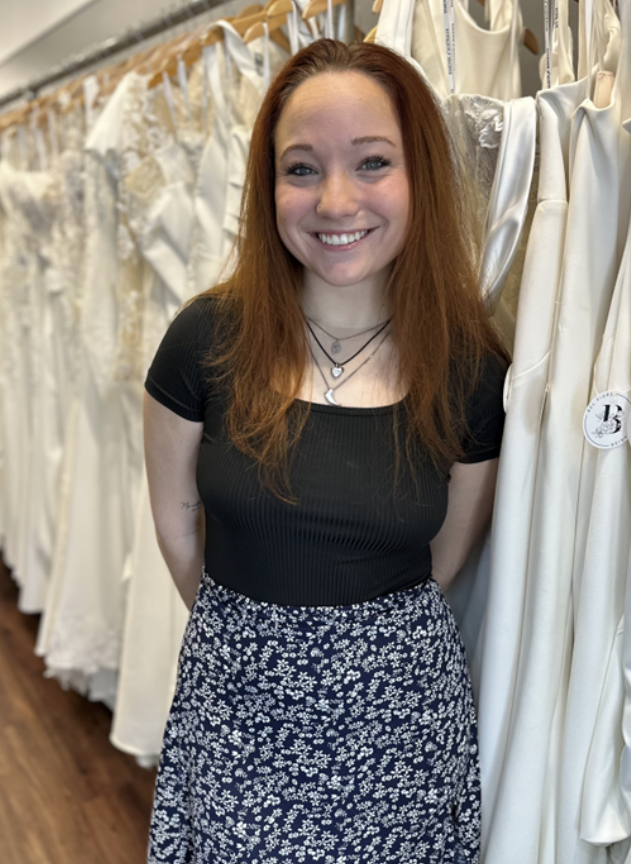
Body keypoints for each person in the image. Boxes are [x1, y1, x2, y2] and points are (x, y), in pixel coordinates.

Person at [144, 38, 507, 864]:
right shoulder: (206, 340)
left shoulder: (472, 371)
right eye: (301, 168)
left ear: (420, 177)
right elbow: (175, 521)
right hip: (238, 712)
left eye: (373, 161)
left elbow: (444, 557)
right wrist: (256, 638)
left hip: (403, 727)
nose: (336, 200)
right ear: (268, 186)